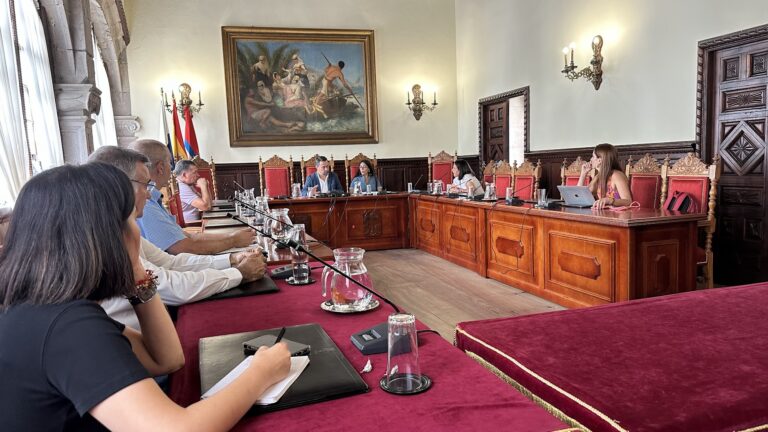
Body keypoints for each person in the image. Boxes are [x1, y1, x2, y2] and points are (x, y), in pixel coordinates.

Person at [0, 163, 290, 431]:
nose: (138, 232)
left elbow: (166, 360)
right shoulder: (67, 326)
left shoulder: (47, 307)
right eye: (130, 221)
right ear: (103, 234)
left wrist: (138, 276)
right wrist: (260, 373)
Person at [88, 146, 267, 331]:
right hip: (133, 345)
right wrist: (239, 273)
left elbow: (172, 263)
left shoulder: (121, 228)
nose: (149, 193)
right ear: (119, 187)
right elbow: (170, 286)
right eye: (144, 185)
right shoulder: (105, 237)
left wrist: (231, 259)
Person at [129, 139, 257, 255]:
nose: (172, 169)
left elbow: (189, 237)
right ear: (160, 168)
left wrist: (234, 236)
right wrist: (233, 241)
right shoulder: (145, 204)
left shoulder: (153, 198)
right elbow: (183, 248)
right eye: (170, 163)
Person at [578, 143, 632, 209]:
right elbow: (580, 196)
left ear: (600, 160)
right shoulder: (598, 176)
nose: (590, 159)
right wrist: (583, 174)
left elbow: (628, 201)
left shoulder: (617, 175)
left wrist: (610, 200)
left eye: (593, 156)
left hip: (618, 216)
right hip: (604, 215)